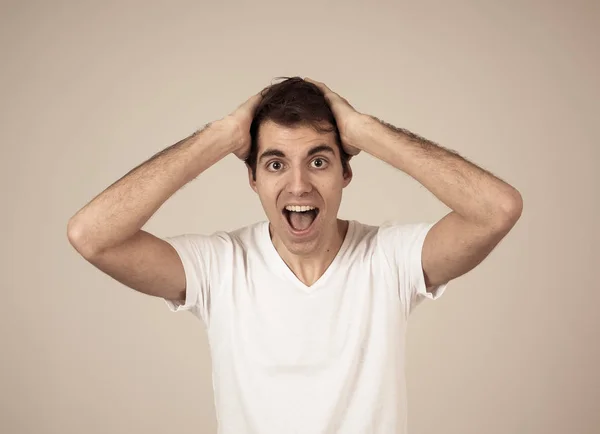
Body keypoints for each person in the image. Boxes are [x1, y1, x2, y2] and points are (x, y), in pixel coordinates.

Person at [67, 76, 523, 433]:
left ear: (346, 173)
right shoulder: (222, 267)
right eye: (275, 163)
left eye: (319, 161)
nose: (299, 185)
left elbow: (496, 210)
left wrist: (366, 130)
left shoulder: (388, 259)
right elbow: (92, 235)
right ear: (253, 180)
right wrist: (221, 135)